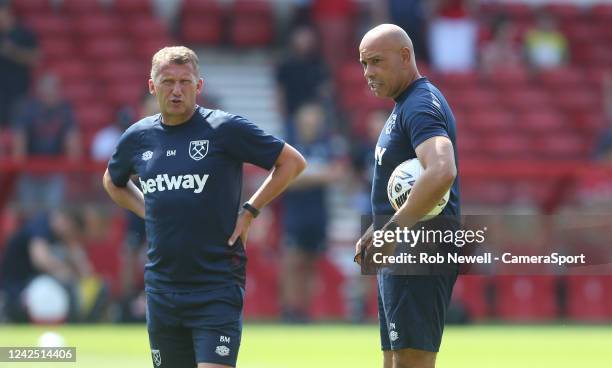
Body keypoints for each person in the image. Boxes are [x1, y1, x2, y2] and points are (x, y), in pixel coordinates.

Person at [102, 46, 306, 368]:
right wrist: (147, 210)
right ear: (152, 86)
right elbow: (113, 182)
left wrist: (251, 209)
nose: (177, 90)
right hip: (162, 289)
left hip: (216, 286)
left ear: (199, 86)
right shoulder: (138, 137)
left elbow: (291, 162)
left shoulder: (224, 129)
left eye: (185, 82)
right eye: (168, 81)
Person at [355, 24, 460, 368]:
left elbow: (442, 170)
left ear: (404, 56)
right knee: (395, 360)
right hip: (402, 247)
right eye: (363, 64)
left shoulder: (419, 106)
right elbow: (403, 188)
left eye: (376, 62)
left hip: (420, 249)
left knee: (411, 361)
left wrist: (393, 230)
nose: (368, 72)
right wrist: (378, 229)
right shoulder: (405, 105)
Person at [280, 102, 343, 322]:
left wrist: (303, 177)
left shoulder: (328, 145)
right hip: (295, 213)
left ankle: (305, 310)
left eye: (315, 119)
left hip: (318, 214)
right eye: (308, 119)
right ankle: (289, 309)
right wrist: (318, 176)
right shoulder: (290, 146)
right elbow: (284, 180)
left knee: (312, 263)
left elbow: (337, 174)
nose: (312, 123)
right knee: (292, 261)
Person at [0, 208, 103, 323]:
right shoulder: (42, 224)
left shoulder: (62, 237)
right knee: (61, 282)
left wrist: (74, 251)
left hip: (33, 284)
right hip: (16, 285)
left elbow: (86, 273)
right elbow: (40, 259)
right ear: (68, 223)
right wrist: (65, 271)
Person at [11, 73, 81, 213]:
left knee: (52, 213)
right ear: (40, 91)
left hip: (54, 170)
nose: (50, 93)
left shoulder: (65, 110)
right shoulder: (28, 109)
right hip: (30, 170)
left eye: (53, 89)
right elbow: (19, 141)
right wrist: (20, 165)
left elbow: (72, 140)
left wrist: (74, 168)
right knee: (28, 212)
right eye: (47, 89)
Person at [0, 1, 39, 126]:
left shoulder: (24, 33)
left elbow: (35, 59)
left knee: (19, 128)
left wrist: (13, 51)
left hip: (19, 93)